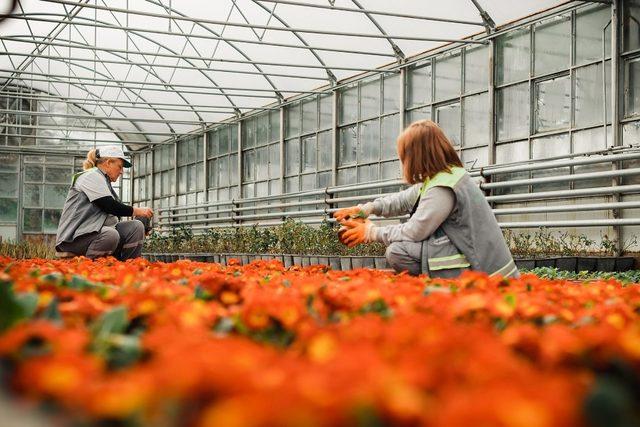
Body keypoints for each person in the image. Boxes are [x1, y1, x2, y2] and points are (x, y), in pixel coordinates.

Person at [334, 120, 519, 279]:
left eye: (404, 156)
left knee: (397, 252)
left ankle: (453, 283)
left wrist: (370, 233)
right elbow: (402, 200)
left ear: (416, 156)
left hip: (485, 271)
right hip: (482, 259)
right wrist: (365, 209)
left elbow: (415, 231)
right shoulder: (444, 176)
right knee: (400, 247)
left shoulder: (442, 188)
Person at [55, 145, 154, 260]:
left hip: (93, 234)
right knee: (110, 234)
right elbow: (109, 206)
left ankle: (129, 267)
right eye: (120, 166)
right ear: (108, 163)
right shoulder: (91, 176)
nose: (121, 172)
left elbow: (112, 214)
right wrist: (138, 211)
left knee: (136, 227)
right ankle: (91, 267)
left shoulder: (104, 181)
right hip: (73, 239)